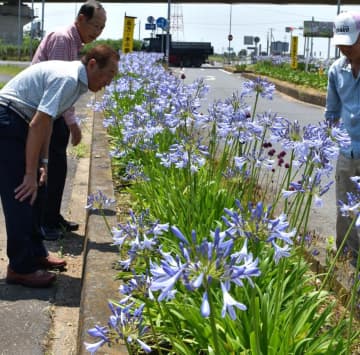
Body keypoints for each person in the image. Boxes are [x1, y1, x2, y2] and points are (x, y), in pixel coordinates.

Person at [0, 44, 119, 287]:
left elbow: (47, 123)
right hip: (8, 120)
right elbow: (37, 124)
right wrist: (30, 173)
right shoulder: (68, 79)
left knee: (39, 189)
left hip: (20, 121)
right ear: (93, 64)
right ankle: (20, 267)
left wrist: (42, 163)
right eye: (109, 74)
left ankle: (36, 253)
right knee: (22, 192)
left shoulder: (76, 83)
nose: (109, 81)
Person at [32, 0, 106, 240]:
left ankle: (53, 217)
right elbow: (59, 87)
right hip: (45, 113)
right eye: (95, 25)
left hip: (53, 112)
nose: (98, 32)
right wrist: (72, 122)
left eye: (102, 28)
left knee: (57, 167)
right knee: (48, 167)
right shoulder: (64, 39)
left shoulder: (74, 42)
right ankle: (44, 222)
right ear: (81, 19)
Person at [325, 11, 360, 265]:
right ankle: (346, 263)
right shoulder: (336, 71)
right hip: (347, 153)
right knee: (345, 211)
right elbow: (332, 113)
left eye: (351, 43)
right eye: (340, 43)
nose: (344, 48)